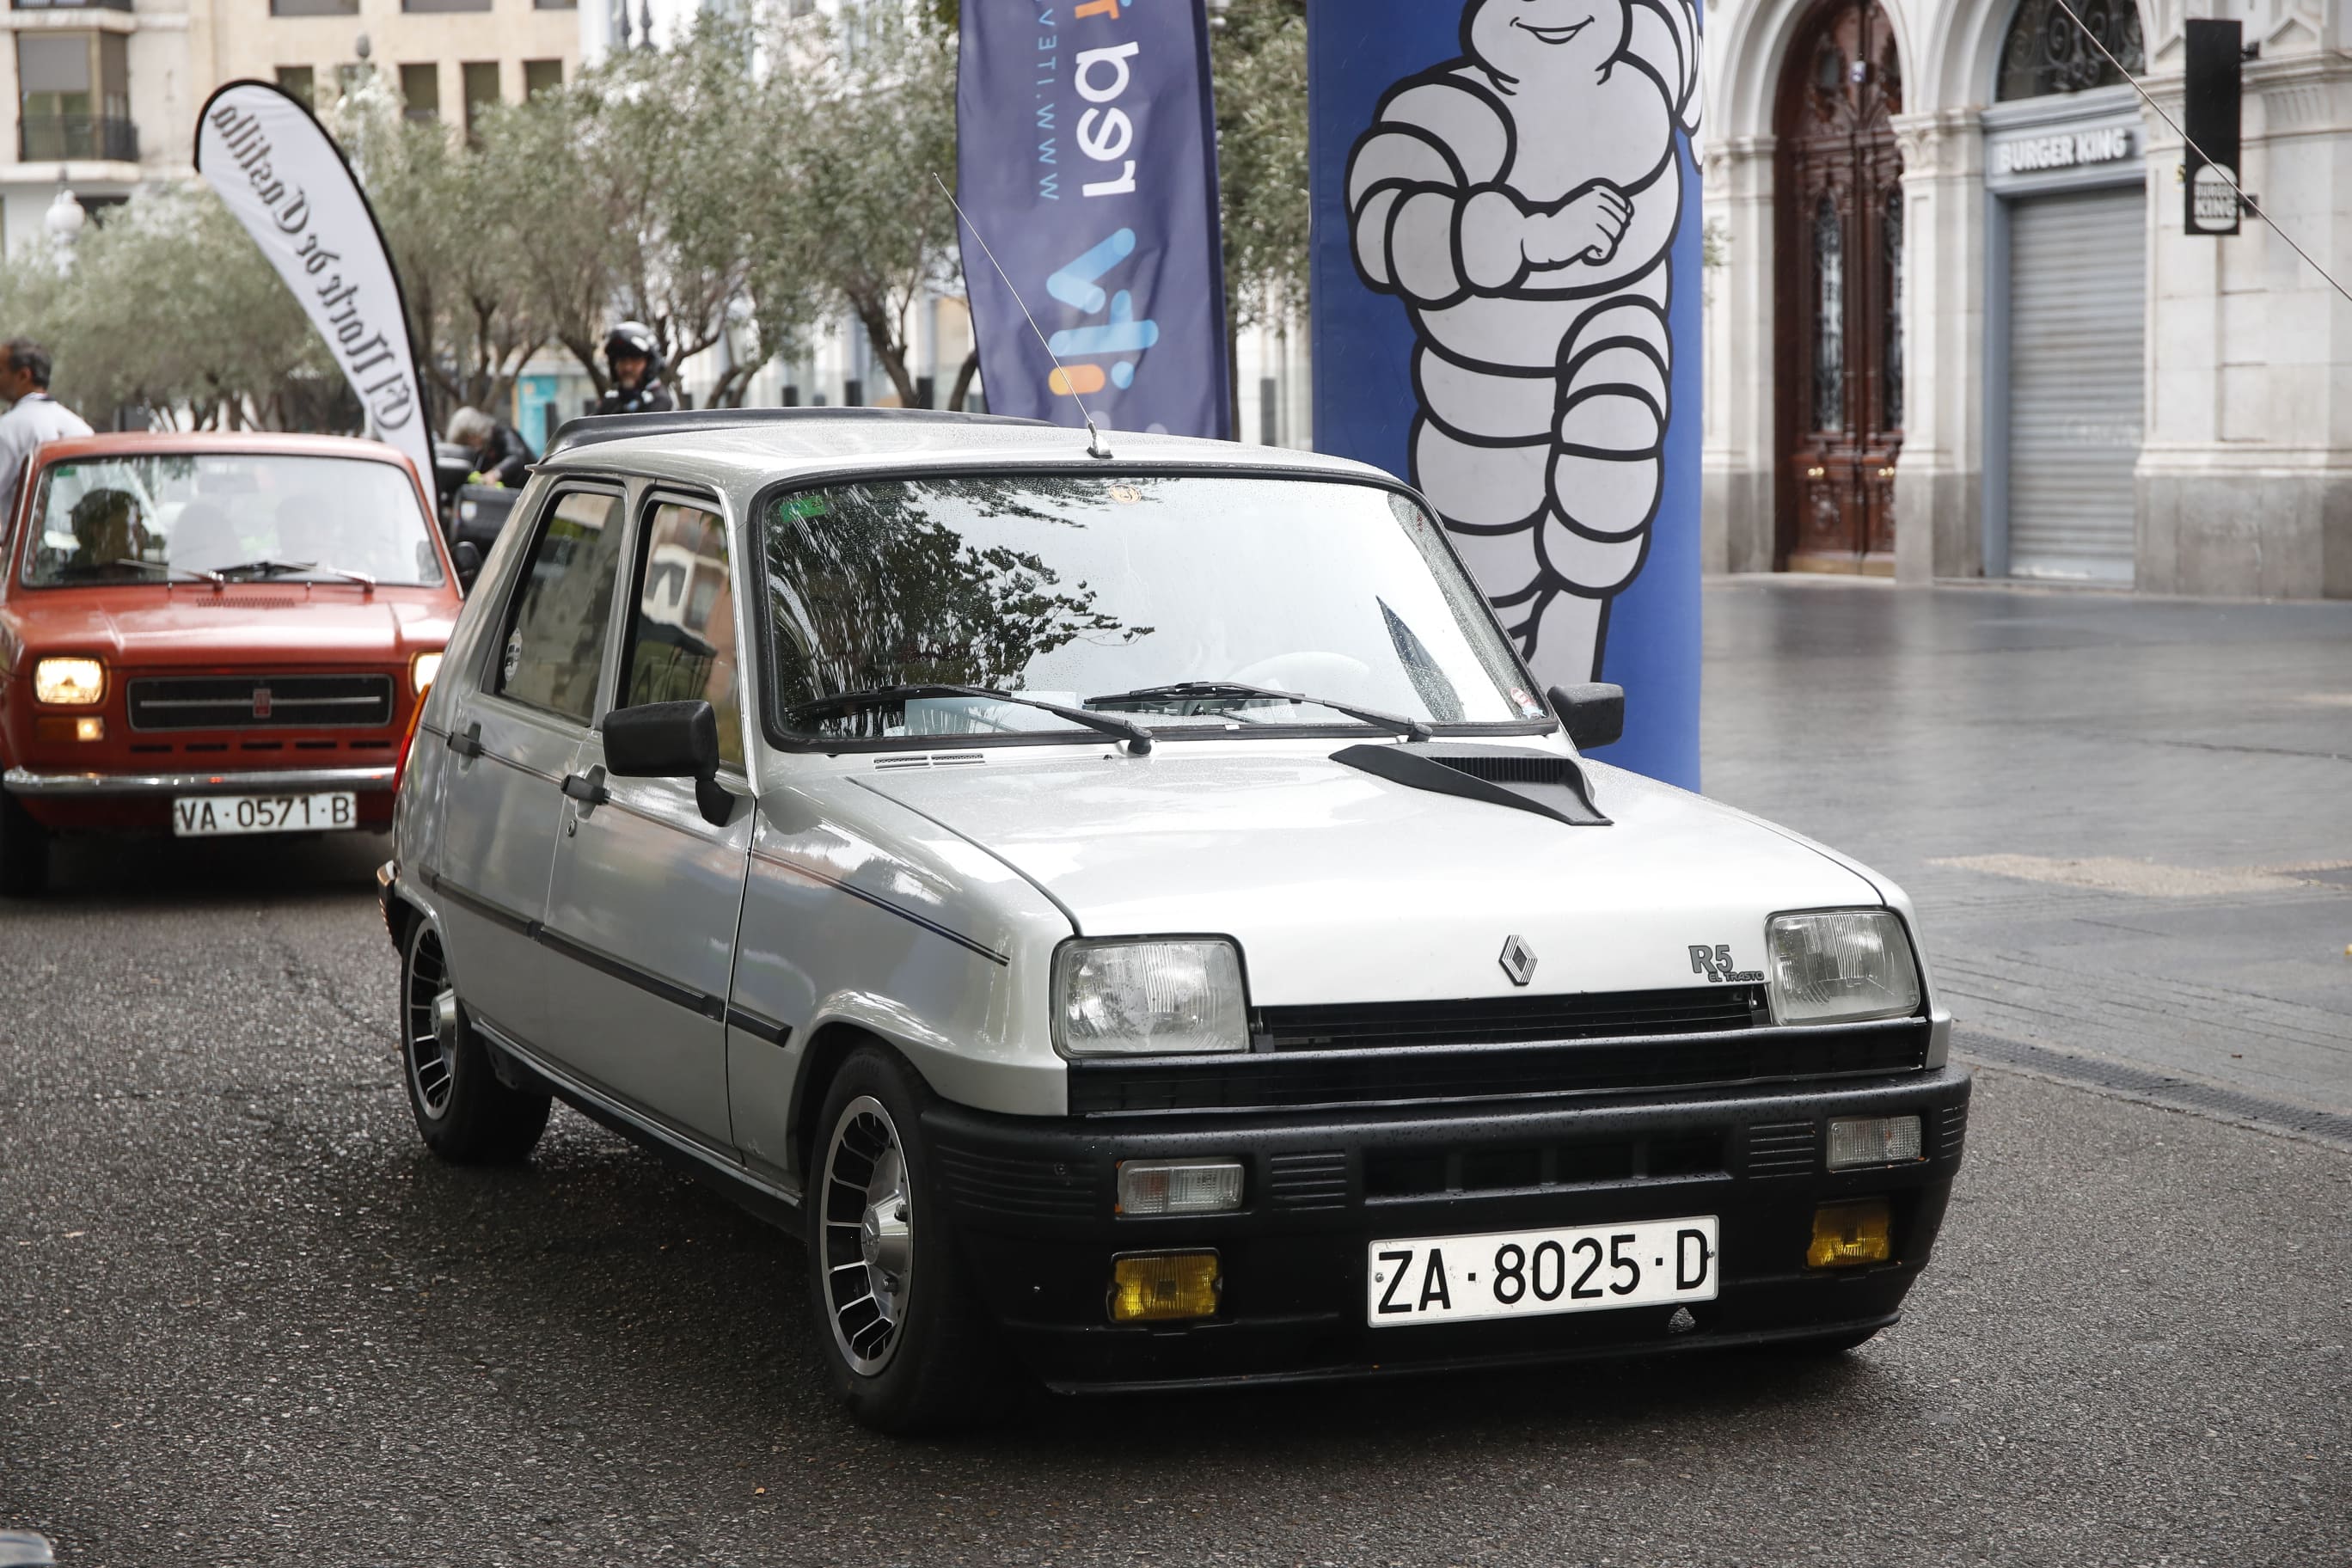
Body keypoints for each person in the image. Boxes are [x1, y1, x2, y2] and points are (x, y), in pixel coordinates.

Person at [0, 339, 92, 508]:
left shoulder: (8, 429)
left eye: (1, 371)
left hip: (26, 534)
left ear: (23, 376)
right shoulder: (80, 428)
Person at [593, 322, 675, 416]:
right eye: (622, 360)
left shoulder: (660, 403)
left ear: (650, 363)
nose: (628, 368)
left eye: (635, 360)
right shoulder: (610, 402)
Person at [446, 405, 535, 488]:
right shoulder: (479, 452)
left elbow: (517, 457)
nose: (471, 444)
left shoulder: (503, 433)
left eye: (470, 438)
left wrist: (496, 473)